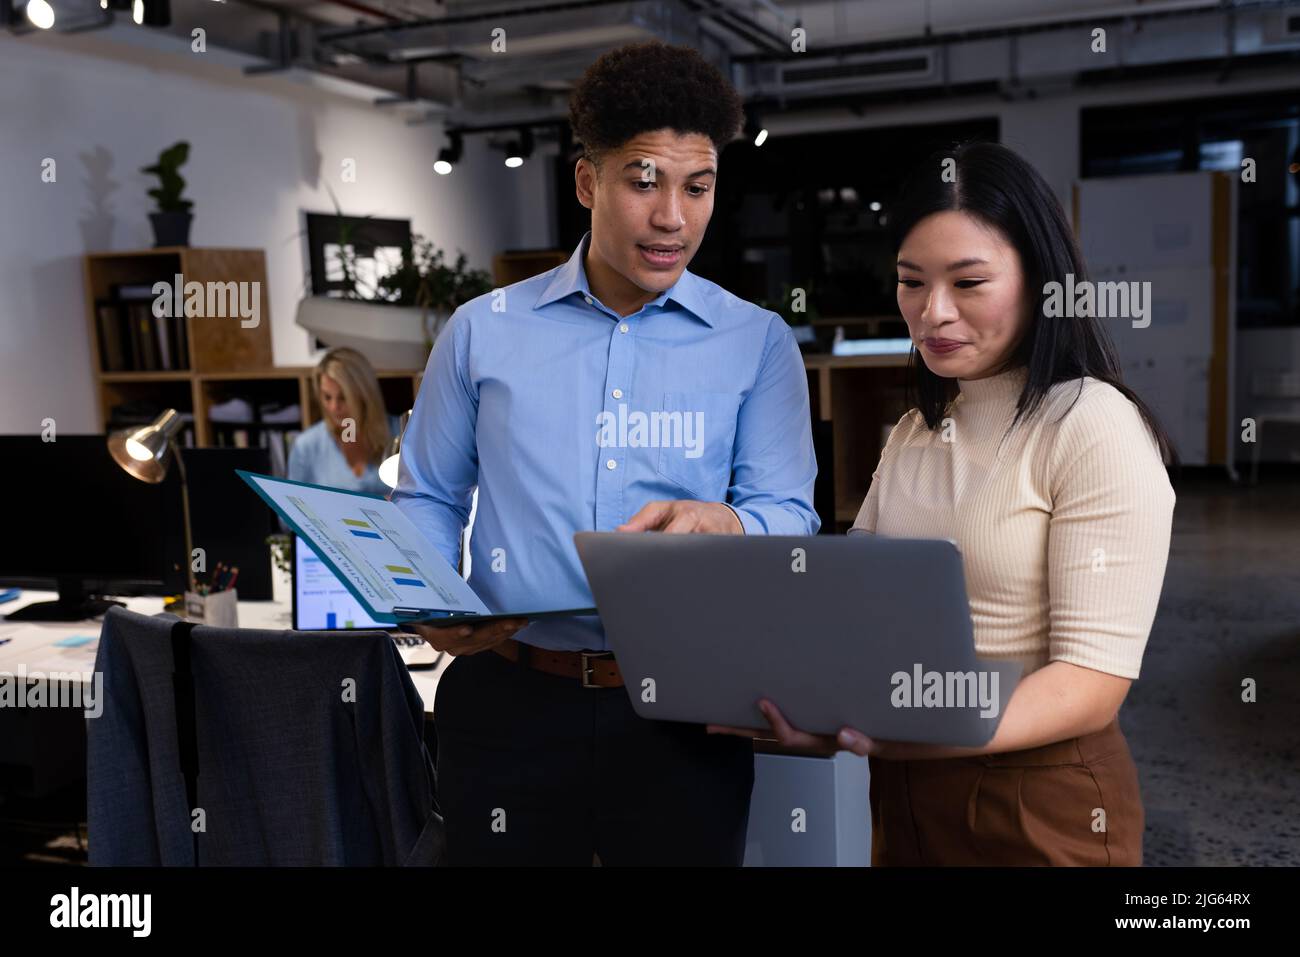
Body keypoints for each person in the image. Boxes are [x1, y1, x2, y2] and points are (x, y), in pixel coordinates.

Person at [391, 41, 820, 865]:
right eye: (644, 181)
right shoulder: (483, 330)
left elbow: (790, 517)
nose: (674, 218)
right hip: (507, 697)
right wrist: (432, 592)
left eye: (699, 187)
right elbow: (428, 497)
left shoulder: (757, 343)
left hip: (684, 703)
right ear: (589, 182)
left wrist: (724, 521)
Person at [710, 142, 1177, 866]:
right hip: (904, 789)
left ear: (1041, 281)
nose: (932, 312)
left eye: (969, 282)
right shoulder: (915, 431)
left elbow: (1091, 684)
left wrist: (909, 728)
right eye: (910, 281)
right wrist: (802, 705)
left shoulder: (1090, 424)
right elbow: (850, 606)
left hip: (1039, 795)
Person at [288, 346, 399, 496]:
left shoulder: (401, 433)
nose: (334, 407)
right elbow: (291, 509)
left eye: (343, 397)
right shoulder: (307, 446)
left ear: (364, 394)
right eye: (327, 397)